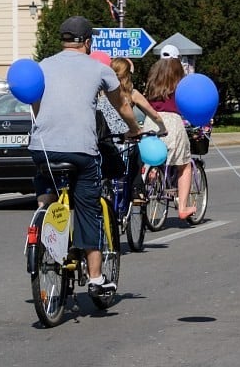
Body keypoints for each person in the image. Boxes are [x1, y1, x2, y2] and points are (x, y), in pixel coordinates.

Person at [29, 16, 141, 298]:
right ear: (88, 42)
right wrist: (134, 129)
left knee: (48, 188)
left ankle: (41, 217)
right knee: (88, 210)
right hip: (81, 151)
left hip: (43, 148)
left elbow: (35, 102)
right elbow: (122, 106)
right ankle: (95, 277)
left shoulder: (43, 66)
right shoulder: (99, 69)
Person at [96, 57, 168, 203]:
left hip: (104, 140)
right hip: (124, 140)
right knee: (136, 151)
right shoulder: (132, 94)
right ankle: (136, 190)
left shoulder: (100, 92)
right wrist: (162, 128)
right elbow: (153, 114)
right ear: (128, 74)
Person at [143, 57, 196, 220]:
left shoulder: (152, 84)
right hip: (172, 123)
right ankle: (182, 207)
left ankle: (150, 181)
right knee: (184, 165)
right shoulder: (180, 86)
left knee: (151, 160)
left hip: (151, 121)